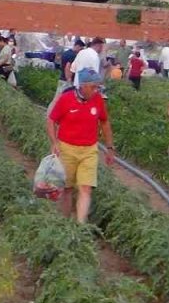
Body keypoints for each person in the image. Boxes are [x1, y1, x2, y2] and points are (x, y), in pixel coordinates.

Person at [45, 68, 116, 223]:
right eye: (93, 86)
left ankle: (80, 227)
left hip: (89, 150)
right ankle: (64, 223)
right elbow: (51, 120)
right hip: (67, 149)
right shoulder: (66, 99)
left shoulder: (97, 100)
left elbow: (104, 122)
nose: (96, 90)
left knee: (85, 188)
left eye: (97, 86)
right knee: (67, 189)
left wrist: (110, 148)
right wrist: (54, 142)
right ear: (82, 86)